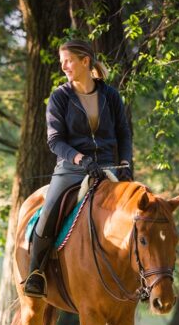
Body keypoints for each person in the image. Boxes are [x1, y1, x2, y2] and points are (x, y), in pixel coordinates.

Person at [23, 40, 134, 298]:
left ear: (85, 61)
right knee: (49, 211)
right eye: (62, 62)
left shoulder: (111, 96)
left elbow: (123, 134)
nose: (64, 67)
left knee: (140, 211)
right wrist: (81, 160)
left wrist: (126, 162)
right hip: (71, 168)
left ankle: (137, 275)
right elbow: (55, 141)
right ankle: (36, 273)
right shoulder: (59, 97)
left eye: (69, 61)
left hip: (109, 167)